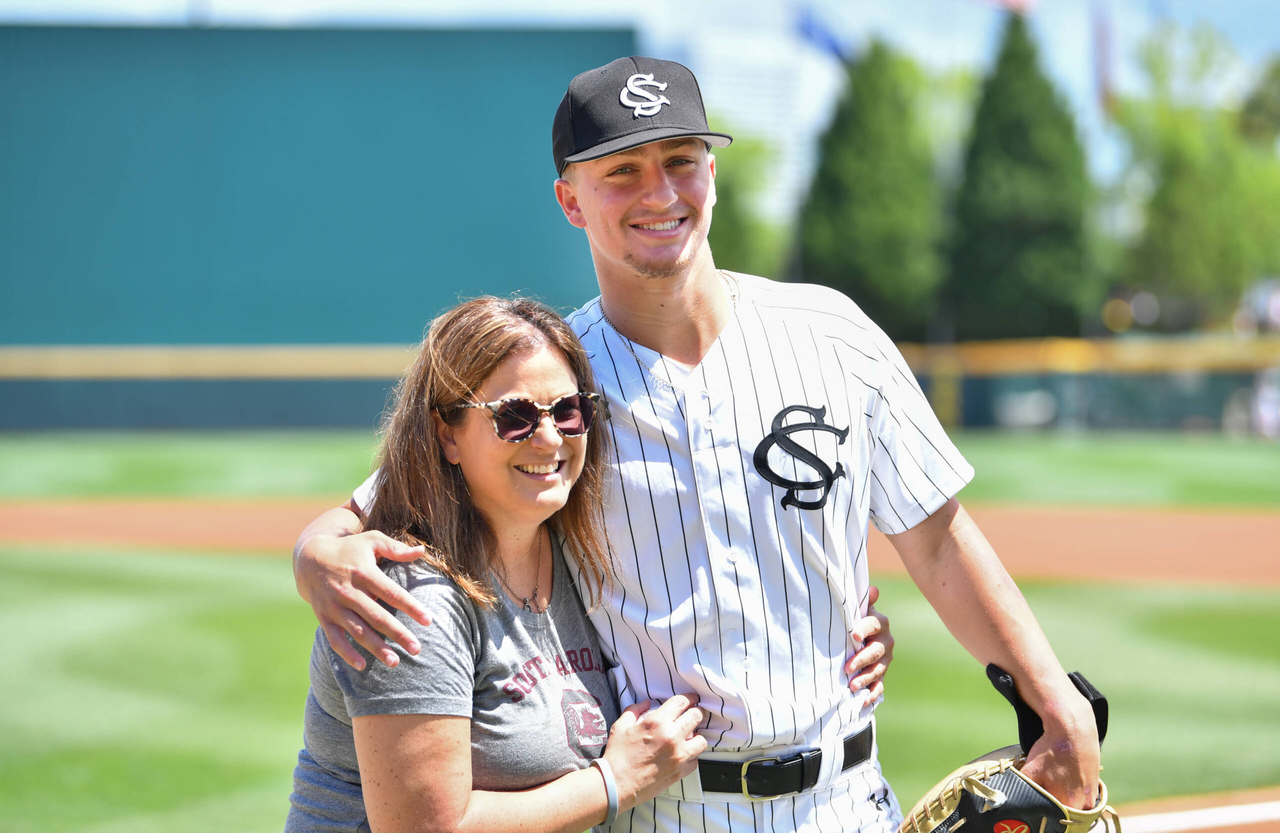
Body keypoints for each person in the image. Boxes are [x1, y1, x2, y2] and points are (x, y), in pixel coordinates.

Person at [293, 56, 1100, 832]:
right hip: (663, 808)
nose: (660, 193)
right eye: (622, 172)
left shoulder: (835, 335)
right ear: (571, 201)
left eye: (681, 160)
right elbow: (382, 508)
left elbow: (937, 540)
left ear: (712, 174)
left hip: (847, 798)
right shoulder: (556, 385)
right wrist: (316, 549)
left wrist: (1049, 693)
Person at [285, 297, 707, 833]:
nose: (550, 438)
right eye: (515, 417)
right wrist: (616, 780)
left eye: (568, 410)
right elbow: (427, 828)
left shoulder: (570, 551)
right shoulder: (411, 597)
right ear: (447, 435)